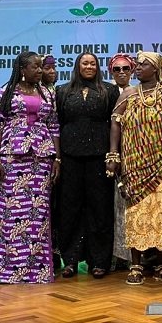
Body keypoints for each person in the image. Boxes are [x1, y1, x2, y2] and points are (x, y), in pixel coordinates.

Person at [107, 52, 162, 285]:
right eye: (137, 65)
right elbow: (115, 123)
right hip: (134, 162)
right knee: (136, 212)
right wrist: (113, 155)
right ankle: (136, 264)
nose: (138, 68)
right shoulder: (129, 94)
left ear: (157, 69)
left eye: (144, 65)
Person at [0, 51, 60, 284]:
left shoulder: (47, 93)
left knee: (37, 214)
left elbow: (54, 125)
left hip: (41, 158)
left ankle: (34, 270)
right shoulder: (5, 92)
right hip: (12, 157)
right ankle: (5, 269)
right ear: (22, 69)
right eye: (36, 67)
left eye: (41, 67)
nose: (40, 71)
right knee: (9, 213)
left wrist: (57, 159)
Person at [55, 52, 119, 279]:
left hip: (99, 157)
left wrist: (113, 155)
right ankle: (70, 260)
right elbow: (59, 123)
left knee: (99, 208)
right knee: (70, 208)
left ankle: (98, 261)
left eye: (93, 63)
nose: (89, 66)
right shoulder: (62, 91)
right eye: (85, 63)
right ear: (77, 66)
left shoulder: (109, 91)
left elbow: (114, 123)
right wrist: (59, 157)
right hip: (70, 156)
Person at [108, 53, 136, 266]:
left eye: (126, 68)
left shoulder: (137, 92)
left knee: (127, 204)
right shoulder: (105, 92)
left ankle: (128, 256)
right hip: (109, 155)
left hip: (134, 154)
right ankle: (111, 255)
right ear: (111, 71)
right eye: (117, 69)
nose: (122, 73)